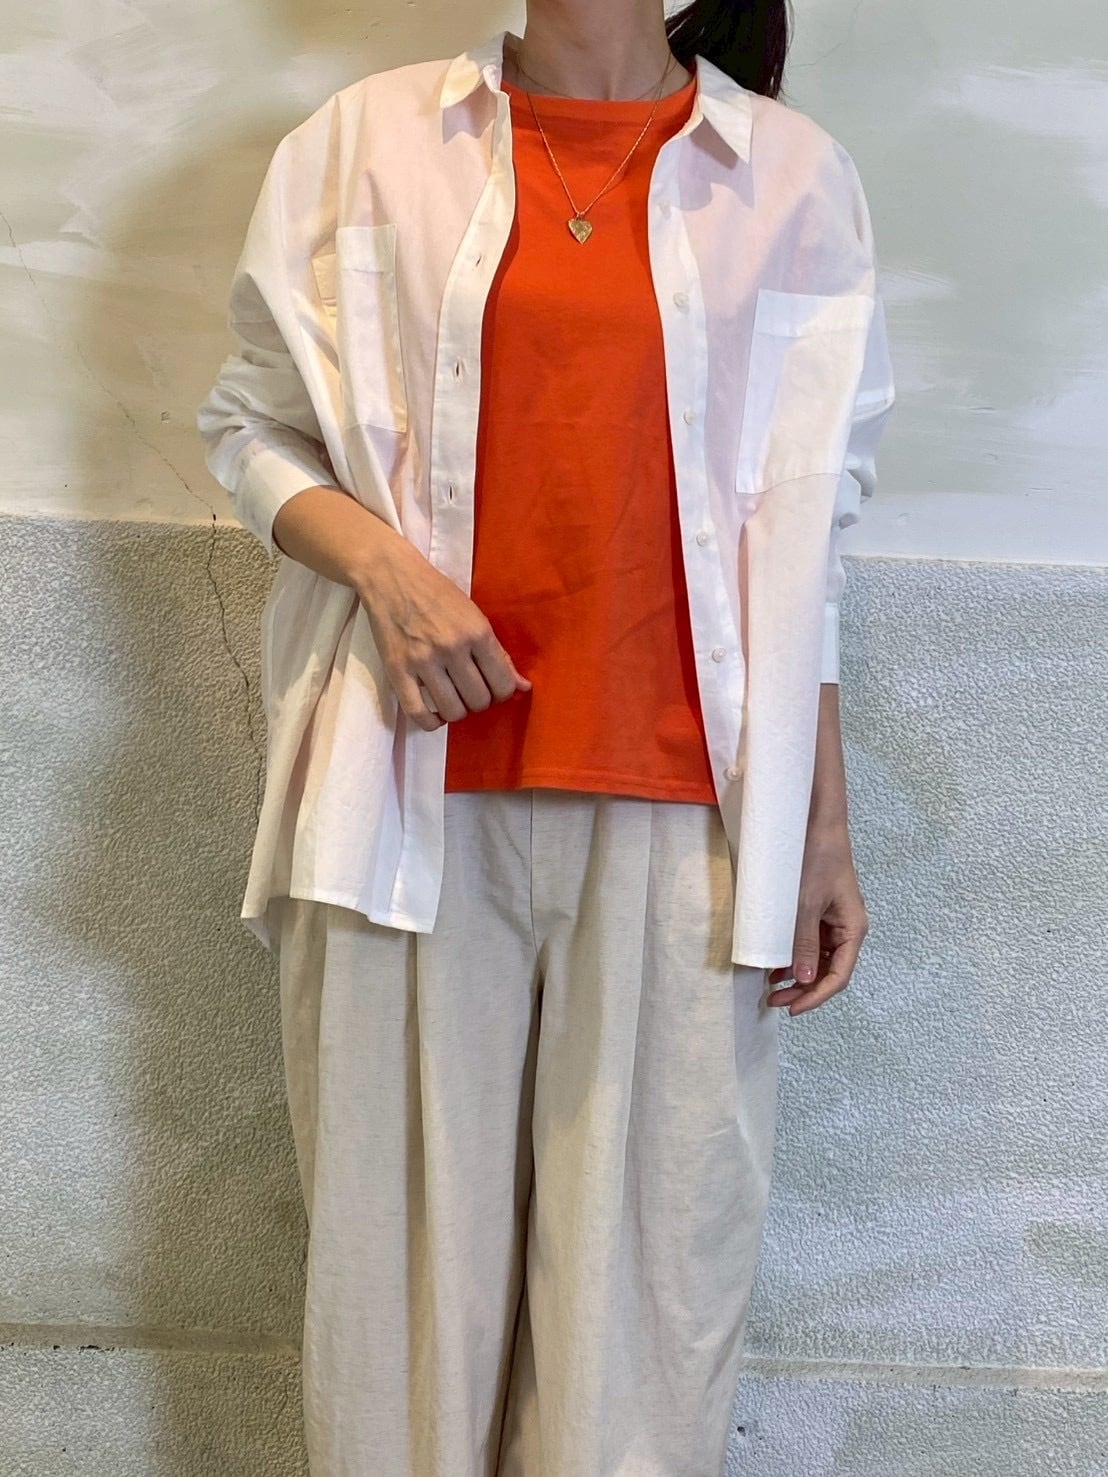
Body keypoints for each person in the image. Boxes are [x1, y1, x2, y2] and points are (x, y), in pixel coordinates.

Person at [197, 3, 896, 1472]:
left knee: (649, 1320)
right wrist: (384, 571)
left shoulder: (794, 178)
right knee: (399, 1317)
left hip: (689, 824)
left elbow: (805, 530)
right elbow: (249, 430)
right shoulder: (362, 143)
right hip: (404, 801)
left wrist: (822, 828)